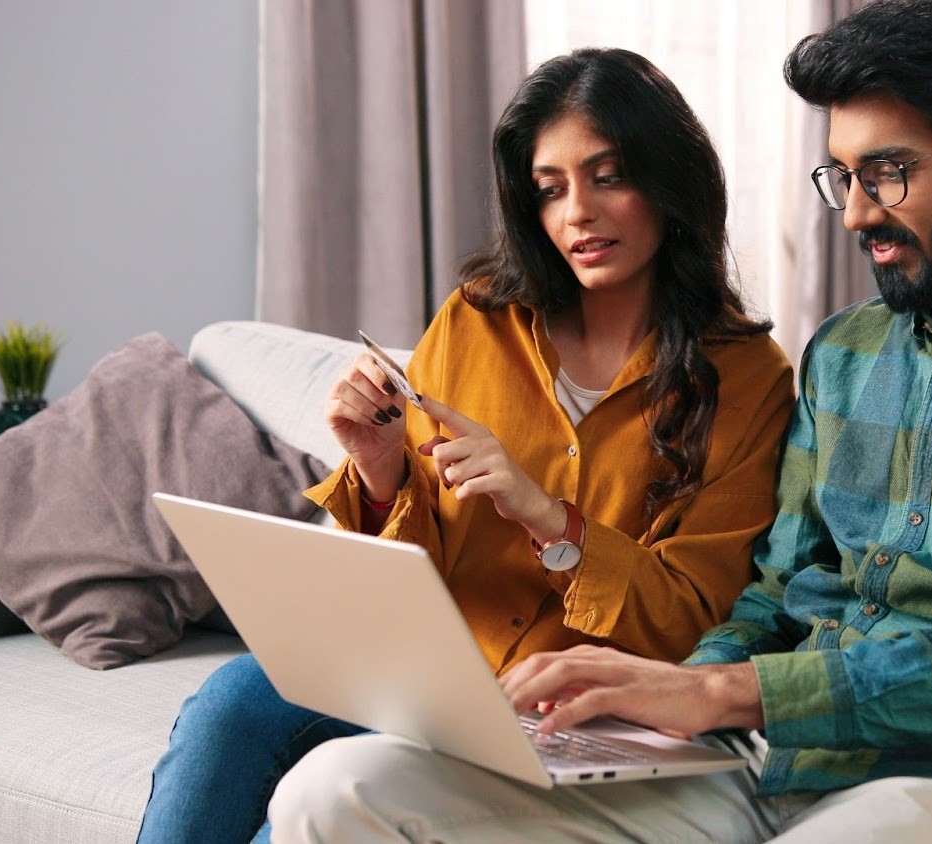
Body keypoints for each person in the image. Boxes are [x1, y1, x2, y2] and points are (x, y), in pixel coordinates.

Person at [265, 1, 932, 842]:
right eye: (841, 176)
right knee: (340, 789)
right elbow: (774, 594)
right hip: (762, 765)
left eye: (886, 174)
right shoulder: (847, 354)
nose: (854, 215)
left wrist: (719, 689)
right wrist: (647, 717)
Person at [135, 47, 794, 844]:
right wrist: (379, 470)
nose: (576, 213)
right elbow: (406, 570)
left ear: (668, 179)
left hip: (570, 711)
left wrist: (551, 519)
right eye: (550, 190)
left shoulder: (749, 378)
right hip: (429, 681)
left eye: (608, 175)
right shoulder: (477, 318)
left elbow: (696, 619)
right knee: (236, 696)